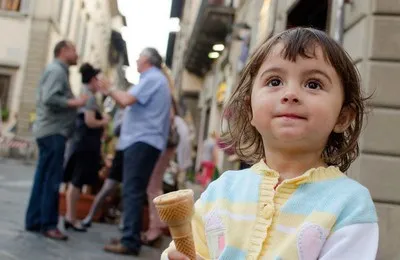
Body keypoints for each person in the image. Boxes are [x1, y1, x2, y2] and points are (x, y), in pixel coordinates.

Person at [164, 27, 378, 260]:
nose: (290, 94)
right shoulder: (221, 191)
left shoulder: (351, 206)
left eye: (313, 84)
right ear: (250, 110)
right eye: (275, 81)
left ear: (343, 117)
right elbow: (186, 252)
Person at [99, 47, 171, 256]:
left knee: (132, 190)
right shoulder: (155, 80)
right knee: (134, 190)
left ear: (147, 60)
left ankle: (129, 240)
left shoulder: (152, 79)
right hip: (145, 142)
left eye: (139, 57)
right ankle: (129, 236)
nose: (137, 60)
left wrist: (110, 89)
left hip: (142, 141)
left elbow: (125, 100)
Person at [25, 40, 88, 241]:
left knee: (43, 178)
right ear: (63, 51)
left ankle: (35, 220)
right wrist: (74, 102)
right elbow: (49, 98)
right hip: (54, 131)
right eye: (74, 49)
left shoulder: (58, 70)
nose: (77, 53)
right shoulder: (57, 71)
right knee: (51, 179)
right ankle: (49, 224)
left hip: (49, 130)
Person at [63, 63, 109, 232]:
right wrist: (103, 121)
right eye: (98, 79)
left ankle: (71, 216)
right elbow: (90, 121)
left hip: (81, 143)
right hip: (84, 144)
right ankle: (71, 217)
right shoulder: (88, 96)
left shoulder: (86, 93)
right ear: (92, 80)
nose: (100, 82)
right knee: (77, 181)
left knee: (76, 180)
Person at [142, 97, 179, 247]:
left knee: (153, 187)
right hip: (164, 144)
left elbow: (169, 117)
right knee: (154, 186)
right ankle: (156, 227)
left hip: (163, 144)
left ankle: (156, 228)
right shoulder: (168, 95)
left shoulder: (165, 95)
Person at [81, 109, 125, 228]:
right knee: (108, 187)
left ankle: (123, 220)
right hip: (122, 151)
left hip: (134, 154)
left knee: (128, 190)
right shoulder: (123, 112)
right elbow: (115, 130)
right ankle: (90, 216)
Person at [174, 115, 193, 189]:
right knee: (181, 180)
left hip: (180, 158)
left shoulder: (178, 123)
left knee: (179, 180)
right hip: (182, 159)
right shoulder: (184, 126)